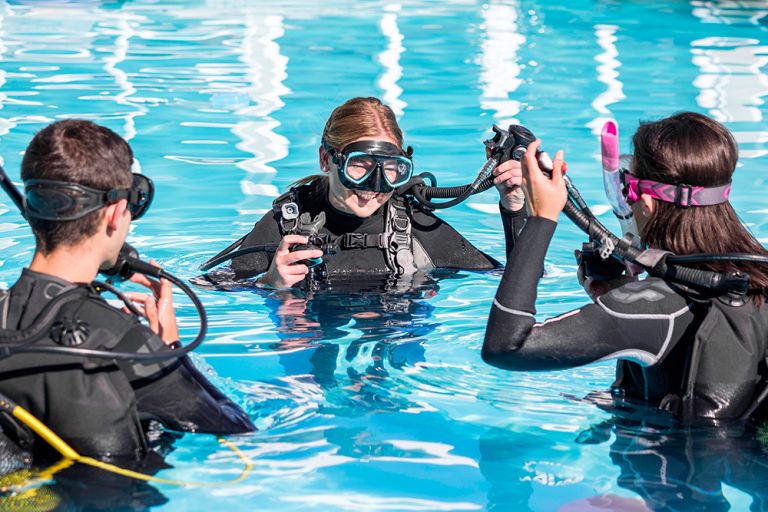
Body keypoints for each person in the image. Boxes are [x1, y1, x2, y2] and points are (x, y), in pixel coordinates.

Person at [482, 112, 768, 424]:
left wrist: (542, 217)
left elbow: (504, 347)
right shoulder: (754, 276)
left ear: (646, 203)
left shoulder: (651, 307)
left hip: (665, 468)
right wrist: (617, 295)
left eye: (625, 184)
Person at [0, 120, 254, 466]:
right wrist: (170, 352)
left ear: (32, 207)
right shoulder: (125, 341)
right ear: (117, 213)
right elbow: (235, 427)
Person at [214, 97, 526, 288]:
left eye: (391, 169)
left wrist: (514, 206)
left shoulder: (414, 224)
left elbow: (521, 282)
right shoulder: (288, 224)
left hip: (395, 341)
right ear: (327, 159)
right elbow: (208, 287)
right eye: (360, 166)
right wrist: (268, 283)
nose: (373, 186)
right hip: (310, 341)